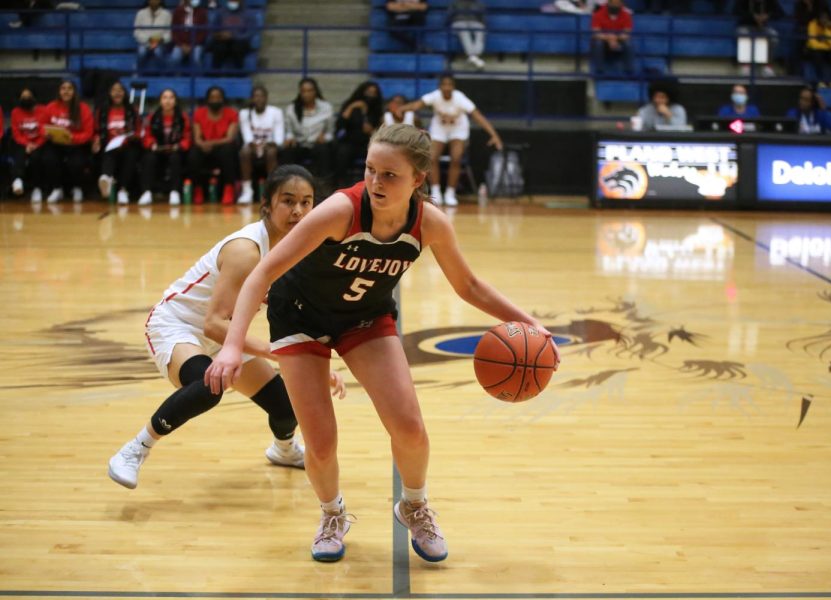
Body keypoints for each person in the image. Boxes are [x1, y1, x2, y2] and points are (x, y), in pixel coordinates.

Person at [204, 123, 559, 563]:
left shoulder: (428, 223)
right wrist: (233, 346)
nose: (376, 182)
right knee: (321, 442)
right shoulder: (339, 211)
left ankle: (414, 505)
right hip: (298, 315)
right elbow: (262, 273)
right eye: (371, 170)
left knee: (410, 427)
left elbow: (468, 285)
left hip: (364, 317)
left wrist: (532, 326)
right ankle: (332, 514)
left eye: (390, 174)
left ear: (418, 181)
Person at [109, 165, 347, 490]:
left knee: (289, 403)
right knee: (210, 384)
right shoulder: (246, 251)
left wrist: (313, 365)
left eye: (306, 202)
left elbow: (297, 317)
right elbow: (213, 324)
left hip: (226, 333)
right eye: (288, 201)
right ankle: (136, 448)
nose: (298, 211)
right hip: (179, 326)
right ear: (267, 205)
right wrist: (281, 355)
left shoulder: (300, 251)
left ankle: (284, 449)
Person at [399, 74, 502, 207]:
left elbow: (478, 116)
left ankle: (450, 193)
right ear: (440, 86)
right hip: (439, 128)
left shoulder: (460, 98)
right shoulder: (435, 96)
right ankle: (436, 192)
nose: (447, 87)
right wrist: (402, 108)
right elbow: (416, 105)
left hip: (458, 129)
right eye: (444, 84)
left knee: (456, 157)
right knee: (431, 157)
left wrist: (494, 135)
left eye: (450, 85)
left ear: (453, 87)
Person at [40, 79, 93, 204]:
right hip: (55, 143)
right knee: (48, 159)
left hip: (76, 145)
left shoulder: (83, 108)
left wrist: (72, 138)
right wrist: (45, 133)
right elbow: (41, 125)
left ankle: (77, 188)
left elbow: (88, 133)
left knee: (77, 163)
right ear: (59, 91)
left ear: (74, 92)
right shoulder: (51, 106)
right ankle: (57, 188)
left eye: (70, 89)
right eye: (63, 88)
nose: (66, 91)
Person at [139, 88, 192, 206]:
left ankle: (175, 192)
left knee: (175, 158)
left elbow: (187, 137)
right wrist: (152, 144)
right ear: (160, 101)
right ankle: (146, 192)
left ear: (175, 101)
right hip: (157, 149)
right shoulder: (152, 117)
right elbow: (146, 135)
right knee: (148, 158)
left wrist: (179, 146)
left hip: (176, 150)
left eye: (171, 97)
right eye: (165, 97)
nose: (168, 101)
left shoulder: (183, 117)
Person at [93, 81, 143, 205]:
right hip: (108, 144)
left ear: (124, 93)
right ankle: (106, 178)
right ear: (109, 94)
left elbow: (139, 130)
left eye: (120, 90)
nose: (117, 93)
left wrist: (132, 136)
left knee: (131, 154)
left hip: (128, 144)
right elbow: (96, 130)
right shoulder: (102, 110)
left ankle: (123, 190)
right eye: (114, 90)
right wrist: (96, 140)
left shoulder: (132, 110)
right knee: (108, 152)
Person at [188, 86, 240, 204]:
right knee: (193, 154)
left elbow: (229, 138)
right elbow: (197, 138)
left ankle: (229, 189)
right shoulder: (199, 113)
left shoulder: (231, 113)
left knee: (228, 150)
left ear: (223, 99)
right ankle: (198, 189)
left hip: (223, 147)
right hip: (205, 148)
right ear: (207, 99)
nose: (215, 100)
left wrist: (210, 143)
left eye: (218, 97)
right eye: (212, 97)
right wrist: (203, 144)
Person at [282, 77, 334, 186]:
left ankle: (323, 184)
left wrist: (325, 137)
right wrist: (289, 137)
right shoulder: (291, 109)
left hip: (317, 144)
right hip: (299, 143)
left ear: (315, 91)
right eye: (303, 91)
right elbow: (289, 131)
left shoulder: (326, 108)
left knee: (324, 150)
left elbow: (330, 133)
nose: (306, 94)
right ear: (300, 92)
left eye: (309, 91)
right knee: (288, 150)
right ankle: (288, 183)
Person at [238, 85, 285, 204]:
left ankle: (270, 191)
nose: (258, 99)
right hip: (253, 148)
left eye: (261, 96)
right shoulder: (244, 113)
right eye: (255, 96)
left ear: (266, 98)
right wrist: (254, 145)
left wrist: (267, 144)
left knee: (271, 152)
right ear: (251, 99)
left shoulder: (276, 112)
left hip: (270, 147)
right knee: (245, 151)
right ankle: (247, 191)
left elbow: (279, 138)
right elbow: (247, 137)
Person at [334, 81, 383, 189]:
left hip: (367, 141)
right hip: (350, 140)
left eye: (373, 93)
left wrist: (365, 113)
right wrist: (352, 107)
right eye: (368, 92)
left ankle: (369, 185)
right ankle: (340, 183)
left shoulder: (377, 109)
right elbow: (340, 124)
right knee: (342, 152)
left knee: (374, 153)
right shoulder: (351, 104)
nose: (370, 95)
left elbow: (371, 129)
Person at [9, 87, 46, 203]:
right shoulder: (15, 112)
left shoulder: (43, 110)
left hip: (40, 143)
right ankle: (17, 180)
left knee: (36, 158)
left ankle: (37, 188)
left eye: (28, 96)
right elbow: (16, 133)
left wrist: (36, 144)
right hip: (23, 142)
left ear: (34, 98)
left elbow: (45, 131)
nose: (26, 98)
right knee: (19, 154)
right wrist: (27, 144)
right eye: (23, 96)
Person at [733, 0, 784, 77]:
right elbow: (736, 11)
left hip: (763, 27)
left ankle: (767, 66)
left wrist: (767, 16)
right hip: (745, 25)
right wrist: (753, 16)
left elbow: (780, 13)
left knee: (773, 36)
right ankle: (746, 66)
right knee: (743, 34)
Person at [590, 0, 635, 76]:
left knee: (628, 44)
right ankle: (599, 71)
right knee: (598, 44)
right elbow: (596, 33)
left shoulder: (626, 15)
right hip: (603, 40)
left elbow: (627, 34)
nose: (615, 6)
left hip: (619, 40)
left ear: (622, 4)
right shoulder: (598, 14)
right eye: (614, 3)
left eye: (618, 3)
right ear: (609, 3)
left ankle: (629, 71)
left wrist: (615, 38)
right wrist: (609, 39)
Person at [209, 0, 253, 71]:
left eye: (235, 1)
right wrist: (220, 34)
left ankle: (239, 75)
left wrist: (234, 36)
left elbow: (250, 33)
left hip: (240, 41)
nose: (232, 2)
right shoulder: (221, 12)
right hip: (223, 40)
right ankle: (214, 75)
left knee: (237, 48)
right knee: (218, 48)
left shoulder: (248, 14)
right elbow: (214, 29)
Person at [805, 7, 831, 87]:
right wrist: (827, 45)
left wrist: (826, 29)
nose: (824, 20)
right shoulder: (812, 24)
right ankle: (820, 80)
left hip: (829, 51)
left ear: (829, 18)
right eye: (822, 17)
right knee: (817, 54)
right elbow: (813, 44)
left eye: (826, 18)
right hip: (816, 51)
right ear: (818, 18)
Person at [170, 0, 209, 71]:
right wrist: (181, 45)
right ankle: (175, 79)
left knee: (196, 58)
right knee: (174, 58)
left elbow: (203, 32)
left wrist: (192, 45)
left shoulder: (202, 12)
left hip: (196, 44)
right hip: (181, 44)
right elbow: (174, 31)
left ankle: (199, 79)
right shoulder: (178, 11)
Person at [134, 0, 172, 71]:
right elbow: (136, 32)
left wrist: (162, 39)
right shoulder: (140, 13)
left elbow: (169, 33)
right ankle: (138, 72)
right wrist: (148, 39)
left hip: (160, 43)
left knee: (158, 52)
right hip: (145, 43)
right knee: (141, 52)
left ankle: (162, 74)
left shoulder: (167, 14)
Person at [448, 0, 486, 70]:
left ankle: (473, 56)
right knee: (464, 31)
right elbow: (449, 15)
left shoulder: (478, 4)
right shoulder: (455, 3)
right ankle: (473, 55)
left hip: (474, 21)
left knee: (481, 29)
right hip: (458, 22)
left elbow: (482, 18)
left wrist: (483, 24)